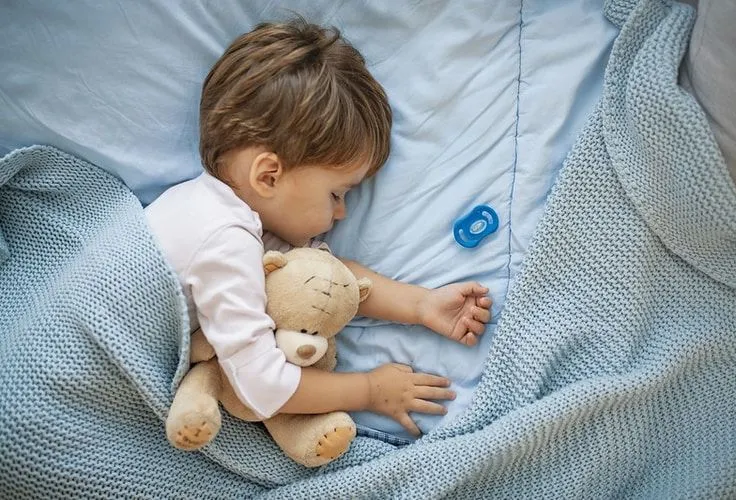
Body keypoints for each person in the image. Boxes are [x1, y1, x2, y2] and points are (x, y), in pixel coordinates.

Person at [146, 19, 493, 436]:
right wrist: (369, 390)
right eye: (336, 194)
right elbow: (261, 386)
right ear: (269, 176)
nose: (342, 213)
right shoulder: (224, 239)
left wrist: (420, 305)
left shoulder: (239, 219)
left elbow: (326, 282)